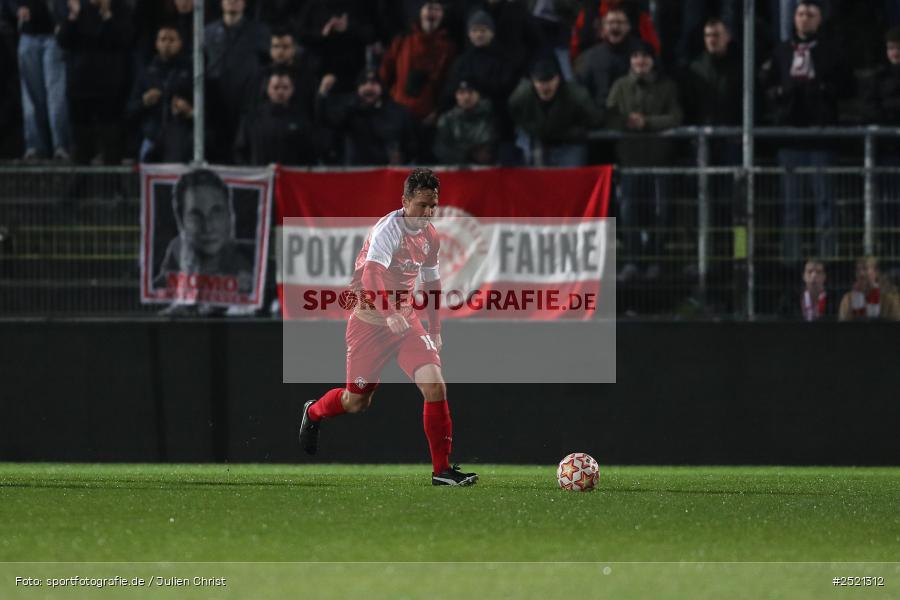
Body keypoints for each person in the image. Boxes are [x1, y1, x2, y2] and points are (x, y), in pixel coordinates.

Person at [298, 168, 478, 487]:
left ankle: (442, 470)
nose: (427, 213)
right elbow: (371, 277)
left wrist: (434, 328)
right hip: (370, 323)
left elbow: (432, 281)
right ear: (405, 201)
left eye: (433, 206)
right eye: (422, 205)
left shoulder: (430, 235)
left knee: (435, 386)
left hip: (406, 322)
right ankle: (314, 412)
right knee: (356, 401)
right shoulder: (388, 229)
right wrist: (389, 310)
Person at [760, 0, 853, 263]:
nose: (804, 19)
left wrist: (823, 89)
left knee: (825, 203)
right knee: (791, 206)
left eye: (810, 14)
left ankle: (826, 259)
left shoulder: (832, 51)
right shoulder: (781, 51)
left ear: (820, 19)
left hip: (821, 138)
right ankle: (791, 260)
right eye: (800, 14)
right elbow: (765, 85)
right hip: (790, 137)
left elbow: (848, 87)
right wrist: (781, 94)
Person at [606, 42, 683, 281]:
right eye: (636, 56)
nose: (640, 61)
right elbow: (608, 115)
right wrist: (626, 122)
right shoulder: (620, 86)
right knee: (629, 212)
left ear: (652, 61)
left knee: (661, 212)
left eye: (645, 57)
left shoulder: (667, 86)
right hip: (629, 162)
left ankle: (655, 260)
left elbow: (676, 117)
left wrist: (647, 123)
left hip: (659, 161)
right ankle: (633, 260)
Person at [56, 0, 133, 166]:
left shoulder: (120, 9)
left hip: (109, 88)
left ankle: (113, 186)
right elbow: (62, 40)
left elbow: (123, 39)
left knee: (111, 141)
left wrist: (107, 16)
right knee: (81, 144)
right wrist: (73, 17)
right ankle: (80, 187)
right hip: (79, 87)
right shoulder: (76, 8)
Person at [155, 169, 254, 293]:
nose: (207, 227)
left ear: (230, 216)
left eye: (216, 212)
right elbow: (159, 289)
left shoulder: (250, 258)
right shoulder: (176, 251)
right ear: (181, 220)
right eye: (195, 216)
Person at [203, 0, 270, 162]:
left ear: (245, 3)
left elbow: (267, 64)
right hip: (216, 103)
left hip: (247, 101)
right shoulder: (207, 33)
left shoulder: (259, 31)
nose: (232, 1)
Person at [508, 58, 602, 166]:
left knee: (570, 176)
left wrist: (576, 131)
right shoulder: (522, 96)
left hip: (570, 142)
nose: (545, 87)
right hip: (540, 139)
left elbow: (595, 118)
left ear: (558, 79)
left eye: (549, 81)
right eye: (540, 82)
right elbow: (514, 112)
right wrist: (531, 127)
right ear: (533, 81)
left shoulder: (576, 95)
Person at [7, 0, 70, 160]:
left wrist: (62, 18)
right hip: (28, 34)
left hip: (54, 35)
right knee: (31, 97)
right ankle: (36, 146)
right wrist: (17, 9)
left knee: (56, 95)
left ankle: (61, 145)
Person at [316, 67, 418, 166]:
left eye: (374, 83)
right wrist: (323, 93)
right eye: (364, 83)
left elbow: (411, 143)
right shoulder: (349, 111)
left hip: (387, 174)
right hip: (357, 174)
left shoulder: (397, 112)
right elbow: (327, 120)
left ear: (381, 87)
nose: (369, 87)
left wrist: (403, 158)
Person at [379, 0, 456, 124]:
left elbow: (448, 83)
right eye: (429, 8)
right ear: (420, 12)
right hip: (397, 111)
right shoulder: (402, 40)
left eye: (437, 9)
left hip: (428, 116)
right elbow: (385, 71)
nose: (432, 14)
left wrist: (438, 112)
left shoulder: (448, 48)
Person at [127, 24, 191, 162]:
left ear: (180, 43)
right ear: (156, 43)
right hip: (151, 138)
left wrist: (188, 110)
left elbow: (202, 109)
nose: (167, 43)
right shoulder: (146, 73)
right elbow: (130, 109)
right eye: (163, 39)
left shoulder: (190, 71)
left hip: (180, 140)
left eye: (171, 40)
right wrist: (144, 101)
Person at [234, 69, 318, 165]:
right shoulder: (252, 118)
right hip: (260, 177)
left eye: (285, 87)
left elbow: (309, 154)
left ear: (292, 90)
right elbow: (240, 151)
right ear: (268, 89)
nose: (280, 92)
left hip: (291, 177)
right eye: (276, 87)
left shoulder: (301, 120)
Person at [574, 7, 644, 117]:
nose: (615, 26)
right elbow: (579, 91)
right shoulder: (589, 57)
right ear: (603, 28)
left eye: (620, 22)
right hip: (599, 119)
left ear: (628, 27)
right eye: (610, 22)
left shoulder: (642, 54)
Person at [433, 79, 498, 165]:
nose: (466, 97)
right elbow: (440, 149)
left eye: (470, 92)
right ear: (456, 95)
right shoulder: (447, 120)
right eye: (462, 92)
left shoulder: (490, 117)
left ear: (478, 95)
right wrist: (466, 155)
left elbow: (490, 147)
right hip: (455, 169)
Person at [838, 256, 900, 321]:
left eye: (865, 269)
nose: (861, 274)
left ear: (876, 272)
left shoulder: (890, 297)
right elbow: (843, 322)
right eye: (858, 270)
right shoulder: (848, 299)